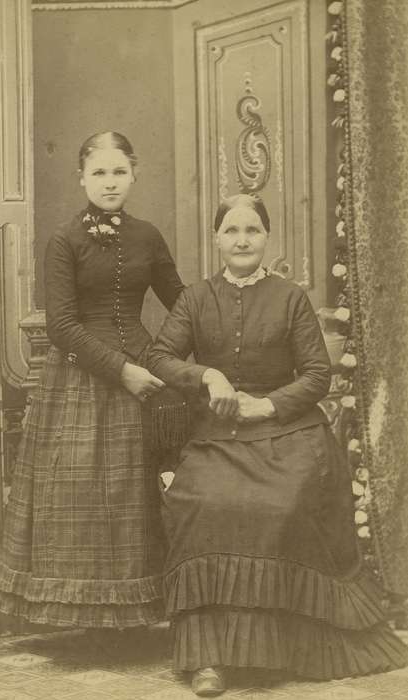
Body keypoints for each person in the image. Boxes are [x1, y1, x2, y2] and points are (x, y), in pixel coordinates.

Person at [148, 194, 407, 696]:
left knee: (279, 504)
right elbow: (160, 356)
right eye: (231, 231)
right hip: (216, 436)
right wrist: (208, 377)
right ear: (216, 238)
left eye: (252, 231)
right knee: (202, 504)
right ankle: (209, 658)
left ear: (267, 238)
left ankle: (279, 652)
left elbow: (316, 376)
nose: (242, 240)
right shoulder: (196, 299)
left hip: (287, 432)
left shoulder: (290, 297)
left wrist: (267, 406)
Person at [0, 131, 185, 631]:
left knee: (132, 493)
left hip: (142, 365)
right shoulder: (65, 238)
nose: (110, 182)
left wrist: (166, 359)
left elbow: (182, 303)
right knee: (82, 489)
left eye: (119, 171)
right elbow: (61, 325)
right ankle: (86, 620)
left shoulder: (148, 236)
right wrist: (123, 371)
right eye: (99, 172)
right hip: (80, 375)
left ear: (135, 173)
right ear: (81, 178)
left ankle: (137, 613)